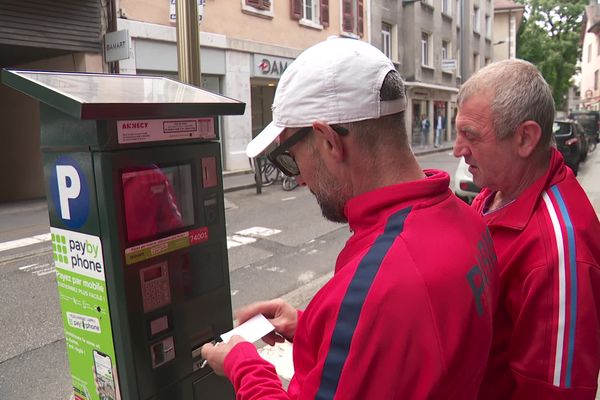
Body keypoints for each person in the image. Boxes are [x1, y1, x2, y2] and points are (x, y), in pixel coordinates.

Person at [201, 37, 499, 399]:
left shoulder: (376, 283)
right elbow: (408, 350)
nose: (299, 178)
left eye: (291, 156)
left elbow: (381, 309)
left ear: (329, 141)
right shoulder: (468, 220)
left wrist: (243, 365)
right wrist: (314, 325)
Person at [453, 59, 600, 399]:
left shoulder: (561, 254)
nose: (458, 150)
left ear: (525, 138)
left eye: (470, 136)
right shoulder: (497, 189)